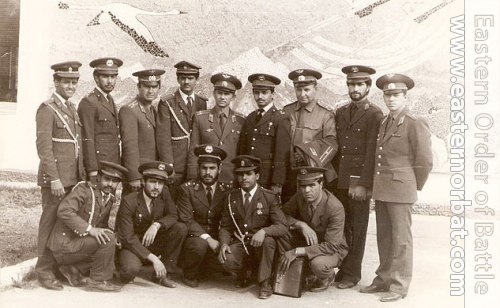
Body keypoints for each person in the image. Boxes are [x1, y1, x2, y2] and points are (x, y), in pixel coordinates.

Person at [360, 73, 433, 302]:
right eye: (387, 95)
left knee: (401, 239)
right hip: (383, 189)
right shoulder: (385, 121)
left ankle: (399, 286)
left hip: (401, 190)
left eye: (395, 95)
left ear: (405, 96)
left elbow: (425, 161)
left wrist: (412, 185)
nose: (390, 99)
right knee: (384, 237)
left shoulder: (414, 122)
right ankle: (383, 279)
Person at [35, 61, 85, 290]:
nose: (71, 86)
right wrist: (54, 179)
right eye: (66, 81)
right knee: (49, 223)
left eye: (74, 82)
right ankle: (44, 271)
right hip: (55, 180)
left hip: (71, 179)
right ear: (56, 82)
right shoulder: (47, 108)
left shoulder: (72, 109)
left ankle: (58, 267)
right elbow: (44, 148)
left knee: (62, 226)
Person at [333, 65, 383, 289]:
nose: (354, 89)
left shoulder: (374, 114)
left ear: (368, 87)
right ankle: (341, 269)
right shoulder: (341, 112)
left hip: (358, 183)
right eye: (351, 84)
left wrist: (364, 184)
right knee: (341, 226)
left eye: (359, 84)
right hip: (340, 181)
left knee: (358, 227)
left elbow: (372, 153)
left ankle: (352, 274)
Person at [46, 161, 127, 292]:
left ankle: (72, 270)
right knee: (107, 239)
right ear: (98, 177)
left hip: (78, 245)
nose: (110, 184)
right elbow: (64, 211)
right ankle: (97, 281)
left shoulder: (109, 198)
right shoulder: (84, 190)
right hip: (63, 246)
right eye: (107, 179)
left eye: (114, 181)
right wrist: (90, 229)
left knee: (113, 240)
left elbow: (100, 224)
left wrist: (113, 233)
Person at [218, 155, 288, 299]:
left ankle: (265, 282)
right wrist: (224, 243)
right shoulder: (232, 197)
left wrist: (264, 231)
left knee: (269, 241)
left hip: (262, 245)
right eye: (240, 174)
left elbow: (282, 225)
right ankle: (245, 275)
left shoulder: (268, 197)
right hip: (242, 242)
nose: (244, 178)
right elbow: (225, 225)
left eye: (248, 173)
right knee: (227, 259)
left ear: (257, 175)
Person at [117, 161, 188, 288]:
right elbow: (127, 238)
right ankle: (124, 264)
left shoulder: (164, 195)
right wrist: (154, 259)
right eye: (152, 182)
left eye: (160, 183)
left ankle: (164, 275)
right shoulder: (129, 201)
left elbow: (173, 215)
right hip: (134, 244)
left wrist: (157, 225)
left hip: (155, 242)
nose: (157, 187)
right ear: (143, 182)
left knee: (180, 228)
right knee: (129, 272)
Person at [278, 167, 348, 293]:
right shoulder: (300, 196)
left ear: (321, 184)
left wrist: (297, 251)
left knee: (319, 265)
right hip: (309, 240)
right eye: (303, 186)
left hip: (331, 247)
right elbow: (282, 215)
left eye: (311, 185)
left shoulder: (335, 207)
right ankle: (297, 272)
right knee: (281, 234)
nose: (306, 190)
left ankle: (326, 276)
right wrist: (300, 224)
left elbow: (331, 245)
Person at [177, 145, 228, 287]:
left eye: (212, 168)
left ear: (219, 169)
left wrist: (223, 241)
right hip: (195, 238)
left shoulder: (226, 191)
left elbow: (227, 221)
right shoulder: (186, 189)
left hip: (217, 237)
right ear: (198, 168)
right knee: (199, 246)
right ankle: (189, 274)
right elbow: (186, 219)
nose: (208, 172)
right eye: (204, 168)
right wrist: (208, 239)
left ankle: (209, 268)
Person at [282, 69, 338, 199]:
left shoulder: (325, 115)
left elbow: (331, 143)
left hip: (313, 175)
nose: (302, 94)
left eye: (306, 89)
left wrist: (306, 152)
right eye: (298, 90)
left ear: (315, 88)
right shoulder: (286, 111)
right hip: (289, 173)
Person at [156, 61, 207, 201]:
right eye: (183, 78)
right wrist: (169, 165)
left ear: (196, 80)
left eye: (190, 78)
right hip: (175, 165)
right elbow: (163, 136)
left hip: (194, 164)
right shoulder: (167, 103)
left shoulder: (202, 103)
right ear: (178, 79)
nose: (186, 82)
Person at [187, 73, 245, 186]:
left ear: (233, 97)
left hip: (231, 178)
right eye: (219, 93)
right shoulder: (200, 118)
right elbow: (193, 151)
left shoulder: (241, 121)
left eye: (227, 94)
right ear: (214, 93)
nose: (222, 97)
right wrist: (192, 177)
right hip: (205, 178)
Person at [237, 73, 291, 196]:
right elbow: (242, 149)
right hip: (248, 178)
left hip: (267, 178)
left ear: (272, 94)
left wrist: (277, 182)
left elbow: (282, 154)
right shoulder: (250, 118)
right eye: (256, 92)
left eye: (264, 92)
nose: (260, 96)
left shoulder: (280, 118)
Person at [119, 69, 165, 194]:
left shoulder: (153, 110)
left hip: (152, 173)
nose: (151, 91)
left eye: (154, 87)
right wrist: (134, 176)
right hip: (139, 176)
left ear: (159, 87)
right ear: (139, 86)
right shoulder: (129, 110)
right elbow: (129, 146)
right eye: (146, 86)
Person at [78, 57, 123, 183]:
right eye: (105, 77)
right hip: (99, 167)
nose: (110, 81)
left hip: (111, 165)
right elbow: (87, 138)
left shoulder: (110, 100)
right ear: (96, 78)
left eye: (113, 77)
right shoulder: (89, 102)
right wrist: (92, 170)